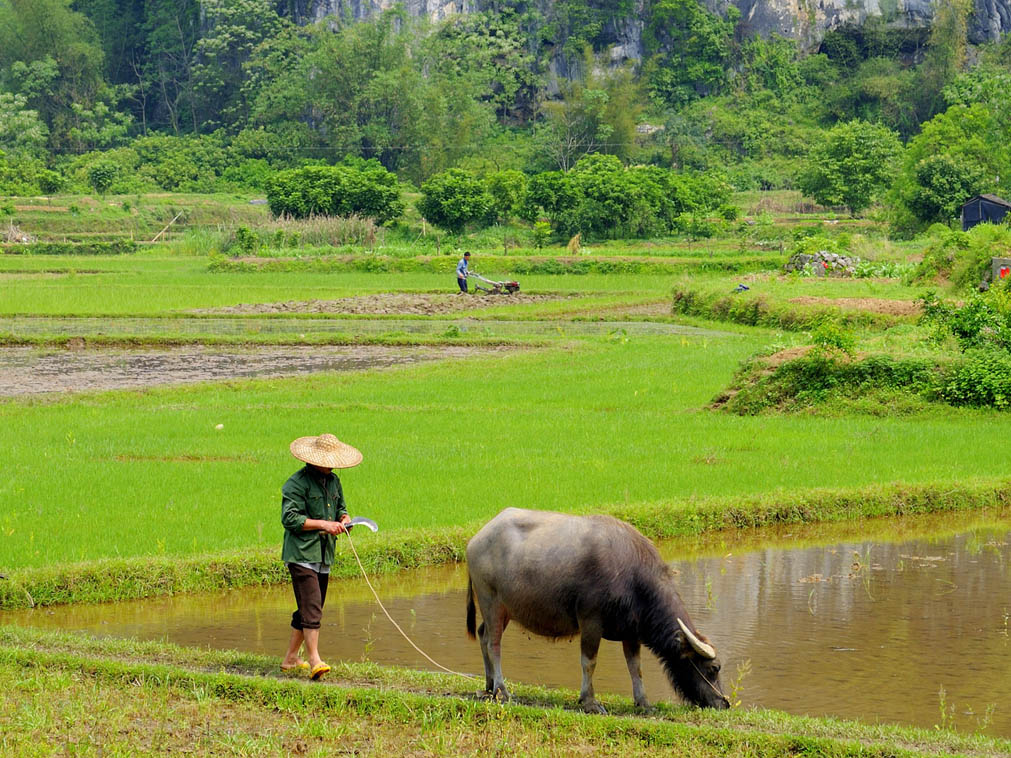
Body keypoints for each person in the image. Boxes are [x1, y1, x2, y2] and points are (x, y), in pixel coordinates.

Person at [280, 432, 362, 680]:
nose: (331, 463)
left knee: (308, 607)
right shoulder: (296, 484)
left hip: (324, 553)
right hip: (302, 554)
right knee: (313, 606)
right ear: (312, 459)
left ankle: (291, 659)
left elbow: (341, 509)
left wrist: (344, 520)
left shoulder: (334, 482)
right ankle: (314, 659)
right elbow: (290, 519)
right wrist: (324, 525)